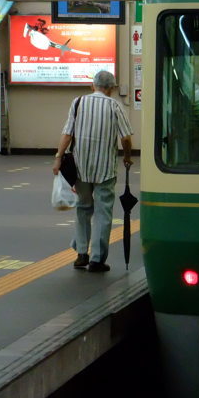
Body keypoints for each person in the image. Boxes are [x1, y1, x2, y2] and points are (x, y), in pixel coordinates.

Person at [53, 70, 133, 272]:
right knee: (103, 212)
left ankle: (81, 254)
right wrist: (127, 157)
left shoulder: (78, 102)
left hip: (80, 167)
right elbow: (125, 138)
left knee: (83, 208)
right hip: (105, 168)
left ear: (93, 85)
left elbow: (67, 133)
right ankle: (97, 259)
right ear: (112, 88)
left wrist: (58, 157)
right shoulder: (114, 105)